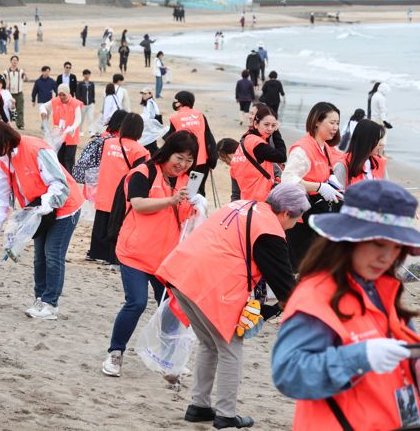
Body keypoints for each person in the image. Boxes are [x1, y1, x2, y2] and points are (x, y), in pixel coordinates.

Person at [157, 183, 309, 429]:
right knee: (230, 348)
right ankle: (226, 415)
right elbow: (285, 288)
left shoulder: (243, 204)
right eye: (297, 219)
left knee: (209, 344)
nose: (296, 224)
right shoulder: (270, 230)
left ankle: (199, 406)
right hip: (210, 284)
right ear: (285, 213)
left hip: (181, 271)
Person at [272, 180, 420, 431]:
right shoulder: (316, 296)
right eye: (377, 243)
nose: (387, 257)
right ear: (348, 239)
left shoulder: (383, 288)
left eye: (396, 247)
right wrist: (360, 357)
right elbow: (289, 372)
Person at [102, 130, 200, 377]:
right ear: (168, 151)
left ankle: (168, 358)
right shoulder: (143, 172)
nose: (183, 165)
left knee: (171, 306)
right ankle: (115, 353)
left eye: (189, 160)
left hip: (166, 258)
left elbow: (185, 215)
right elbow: (138, 204)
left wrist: (198, 206)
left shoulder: (188, 180)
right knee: (136, 302)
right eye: (179, 157)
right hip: (135, 253)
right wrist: (171, 201)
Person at [0, 122, 83, 320]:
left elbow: (58, 183)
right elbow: (2, 195)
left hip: (64, 207)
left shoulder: (37, 149)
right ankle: (40, 298)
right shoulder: (4, 160)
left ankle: (50, 304)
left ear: (4, 141)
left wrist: (47, 203)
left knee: (53, 253)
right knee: (39, 257)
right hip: (37, 211)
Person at [281, 101, 344, 269]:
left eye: (337, 123)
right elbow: (287, 180)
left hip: (318, 216)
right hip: (300, 218)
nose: (335, 127)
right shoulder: (303, 149)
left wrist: (331, 181)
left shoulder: (325, 147)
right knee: (301, 267)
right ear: (317, 121)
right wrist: (319, 187)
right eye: (331, 122)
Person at [89, 113, 149, 266]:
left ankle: (96, 253)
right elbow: (139, 173)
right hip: (122, 193)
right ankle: (112, 257)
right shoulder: (140, 151)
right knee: (116, 225)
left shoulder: (108, 143)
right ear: (139, 130)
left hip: (104, 188)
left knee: (101, 222)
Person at [229, 105, 286, 202]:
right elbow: (281, 156)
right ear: (256, 124)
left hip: (246, 196)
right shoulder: (256, 143)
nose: (270, 129)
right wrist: (276, 132)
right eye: (266, 124)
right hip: (259, 198)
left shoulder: (246, 139)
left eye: (273, 126)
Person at [166, 91, 218, 196]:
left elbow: (169, 141)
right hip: (201, 162)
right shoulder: (200, 115)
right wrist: (212, 160)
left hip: (183, 163)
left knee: (183, 190)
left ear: (179, 103)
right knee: (198, 191)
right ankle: (199, 211)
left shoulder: (175, 118)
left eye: (175, 100)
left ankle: (186, 211)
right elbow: (208, 137)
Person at [332, 119, 386, 187]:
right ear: (367, 142)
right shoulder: (343, 165)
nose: (381, 144)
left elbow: (386, 191)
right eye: (378, 140)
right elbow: (337, 195)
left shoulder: (379, 163)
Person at [43, 84, 83, 173]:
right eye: (60, 94)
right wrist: (43, 112)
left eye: (63, 94)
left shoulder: (75, 103)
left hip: (71, 136)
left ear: (68, 93)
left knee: (69, 159)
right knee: (60, 158)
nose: (61, 97)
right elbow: (44, 106)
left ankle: (70, 179)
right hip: (59, 136)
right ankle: (62, 177)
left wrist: (72, 128)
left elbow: (78, 119)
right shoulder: (55, 101)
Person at [138, 87, 164, 155]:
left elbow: (148, 116)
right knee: (150, 145)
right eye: (142, 94)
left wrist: (139, 117)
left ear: (150, 94)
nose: (143, 95)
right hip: (149, 128)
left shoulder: (150, 103)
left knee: (149, 145)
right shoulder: (148, 102)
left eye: (145, 94)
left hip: (150, 128)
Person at [30, 66, 57, 131]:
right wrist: (33, 100)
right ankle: (45, 128)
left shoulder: (52, 81)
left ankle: (43, 126)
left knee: (47, 115)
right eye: (46, 71)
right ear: (42, 72)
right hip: (41, 101)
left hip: (49, 102)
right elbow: (34, 91)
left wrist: (57, 98)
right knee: (44, 113)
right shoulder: (38, 81)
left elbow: (57, 90)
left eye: (48, 71)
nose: (47, 73)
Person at [4, 55, 26, 130]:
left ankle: (20, 124)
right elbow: (3, 80)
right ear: (11, 61)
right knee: (9, 109)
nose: (14, 61)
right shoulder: (6, 72)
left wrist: (25, 74)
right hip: (10, 93)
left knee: (20, 109)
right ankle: (8, 123)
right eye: (13, 60)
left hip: (19, 93)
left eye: (16, 60)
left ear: (17, 62)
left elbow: (25, 79)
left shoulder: (21, 71)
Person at [76, 69, 96, 136]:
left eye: (88, 74)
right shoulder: (80, 84)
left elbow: (93, 93)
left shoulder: (91, 84)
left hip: (90, 104)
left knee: (90, 118)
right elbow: (77, 94)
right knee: (81, 118)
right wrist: (80, 101)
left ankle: (91, 131)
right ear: (83, 75)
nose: (87, 75)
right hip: (82, 104)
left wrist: (93, 101)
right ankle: (80, 131)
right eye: (85, 74)